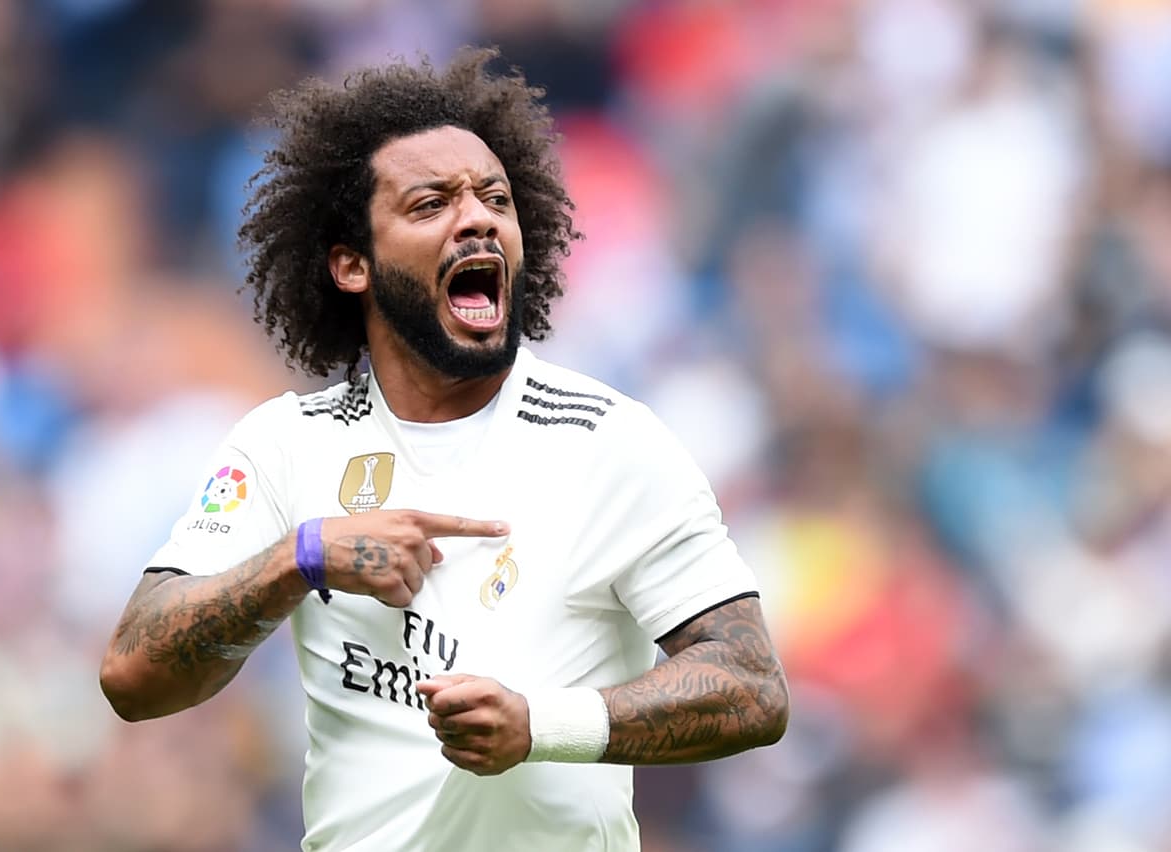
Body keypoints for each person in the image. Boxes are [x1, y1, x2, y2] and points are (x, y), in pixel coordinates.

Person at [99, 47, 789, 852]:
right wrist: (303, 557)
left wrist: (543, 724)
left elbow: (750, 685)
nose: (477, 217)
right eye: (430, 204)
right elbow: (132, 676)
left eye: (495, 198)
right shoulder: (283, 445)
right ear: (351, 264)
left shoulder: (611, 442)